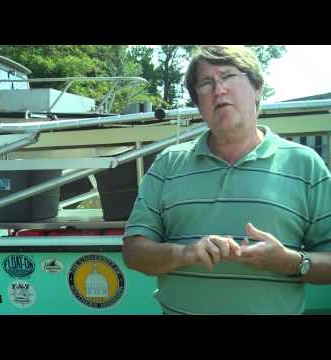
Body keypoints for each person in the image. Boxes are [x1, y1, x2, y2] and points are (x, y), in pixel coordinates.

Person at [122, 45, 331, 315]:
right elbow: (133, 252)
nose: (219, 90)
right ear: (198, 104)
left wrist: (290, 262)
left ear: (257, 87)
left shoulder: (305, 164)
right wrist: (185, 254)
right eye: (206, 83)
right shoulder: (168, 164)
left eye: (229, 76)